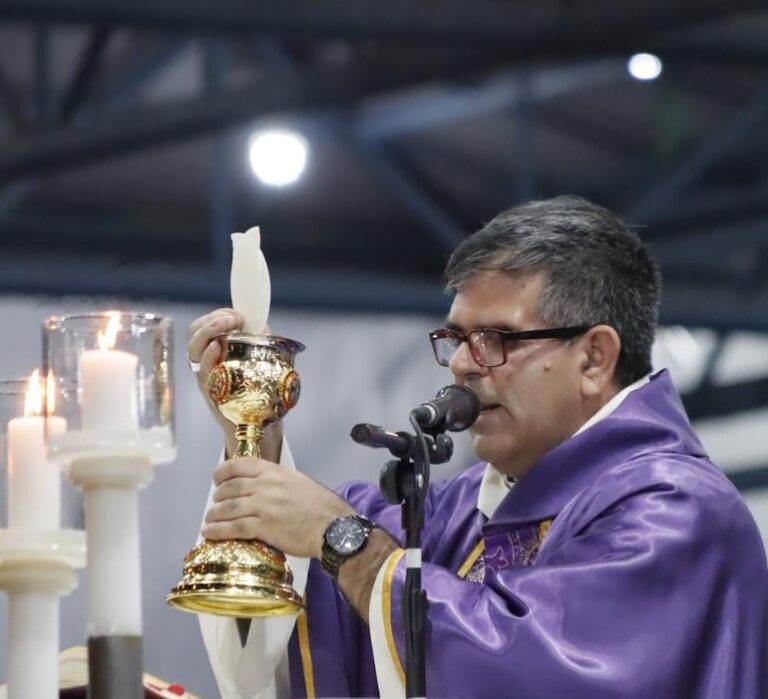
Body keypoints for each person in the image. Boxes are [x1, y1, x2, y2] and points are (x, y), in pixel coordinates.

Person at [189, 196, 768, 698]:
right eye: (457, 338)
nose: (463, 364)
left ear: (594, 357)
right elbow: (321, 591)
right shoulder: (457, 510)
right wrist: (254, 433)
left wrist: (347, 543)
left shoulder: (678, 512)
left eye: (495, 339)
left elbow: (533, 675)